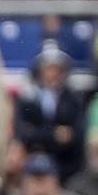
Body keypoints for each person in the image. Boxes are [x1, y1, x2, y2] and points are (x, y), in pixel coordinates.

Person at [13, 46, 85, 181]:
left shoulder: (73, 99)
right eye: (48, 68)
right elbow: (22, 132)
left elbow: (76, 134)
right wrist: (53, 134)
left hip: (65, 163)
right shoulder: (26, 98)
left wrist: (38, 133)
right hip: (32, 161)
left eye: (56, 69)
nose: (52, 73)